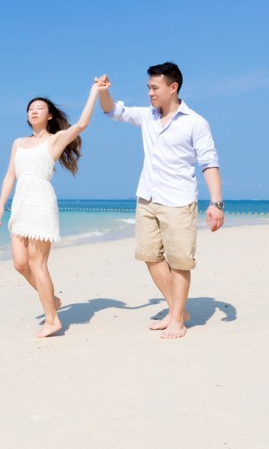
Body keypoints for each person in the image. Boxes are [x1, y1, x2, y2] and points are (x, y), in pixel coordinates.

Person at [95, 63, 223, 340]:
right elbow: (112, 111)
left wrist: (216, 203)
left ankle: (176, 318)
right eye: (148, 88)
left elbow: (209, 162)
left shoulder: (195, 122)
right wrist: (105, 91)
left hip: (178, 200)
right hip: (147, 198)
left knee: (179, 262)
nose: (150, 93)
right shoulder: (147, 117)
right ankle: (177, 309)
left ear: (172, 87)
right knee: (151, 257)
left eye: (155, 88)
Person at [0, 82, 102, 337]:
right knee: (21, 264)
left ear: (49, 115)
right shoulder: (18, 142)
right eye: (30, 108)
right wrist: (1, 204)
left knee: (38, 263)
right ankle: (51, 299)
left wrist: (94, 92)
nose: (33, 111)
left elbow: (81, 125)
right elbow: (10, 175)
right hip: (20, 203)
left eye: (39, 108)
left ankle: (52, 319)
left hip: (41, 202)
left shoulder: (55, 140)